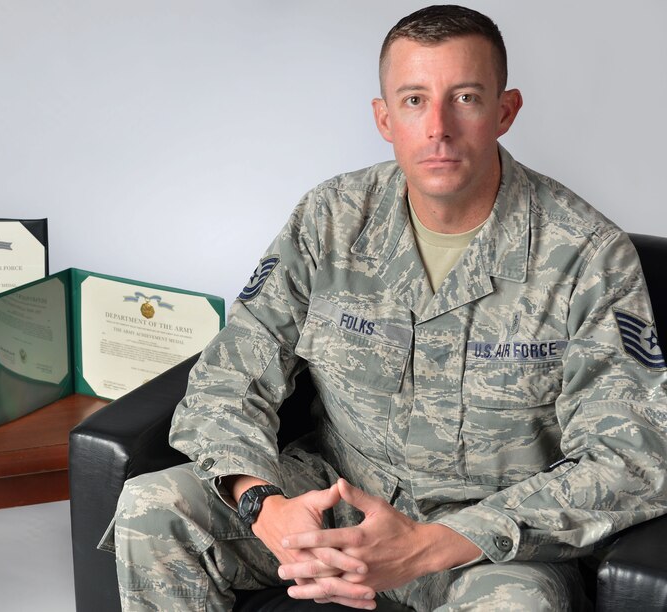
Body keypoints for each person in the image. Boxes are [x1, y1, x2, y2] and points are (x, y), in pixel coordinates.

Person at [101, 4, 667, 611]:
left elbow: (631, 457)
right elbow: (229, 377)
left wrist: (431, 544)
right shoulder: (331, 219)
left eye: (467, 97)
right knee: (153, 508)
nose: (439, 127)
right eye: (415, 100)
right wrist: (263, 504)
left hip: (488, 543)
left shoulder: (587, 255)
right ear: (384, 117)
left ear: (505, 111)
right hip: (335, 501)